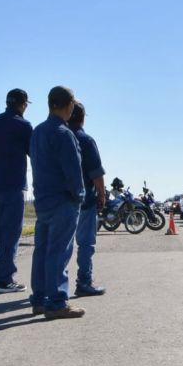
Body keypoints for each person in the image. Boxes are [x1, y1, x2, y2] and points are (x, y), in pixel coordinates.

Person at [28, 86, 85, 320]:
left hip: (43, 200)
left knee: (42, 252)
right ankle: (58, 302)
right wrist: (79, 196)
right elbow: (72, 171)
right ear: (68, 104)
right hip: (63, 201)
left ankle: (40, 300)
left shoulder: (38, 131)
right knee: (59, 252)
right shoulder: (63, 133)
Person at [0, 89, 33, 294]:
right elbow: (33, 152)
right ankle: (5, 280)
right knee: (10, 233)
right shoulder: (23, 125)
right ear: (23, 104)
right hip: (12, 185)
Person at [66, 102, 106, 297]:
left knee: (60, 247)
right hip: (84, 201)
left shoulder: (58, 136)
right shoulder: (85, 140)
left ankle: (55, 286)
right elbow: (96, 174)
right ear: (82, 117)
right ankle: (84, 282)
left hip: (60, 201)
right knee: (86, 244)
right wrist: (102, 194)